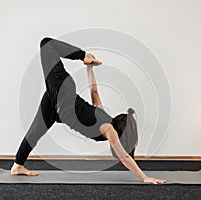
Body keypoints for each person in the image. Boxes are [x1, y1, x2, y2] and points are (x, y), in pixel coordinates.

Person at [10, 37, 166, 184]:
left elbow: (94, 93)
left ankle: (18, 165)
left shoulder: (107, 124)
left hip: (59, 106)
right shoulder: (108, 127)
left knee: (35, 132)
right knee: (46, 44)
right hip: (63, 95)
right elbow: (125, 157)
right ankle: (82, 54)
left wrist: (89, 69)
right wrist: (89, 66)